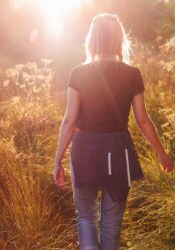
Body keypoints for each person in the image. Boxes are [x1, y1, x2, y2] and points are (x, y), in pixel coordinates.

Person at [52, 13, 174, 250]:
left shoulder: (78, 73)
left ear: (93, 40)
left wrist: (57, 159)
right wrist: (161, 153)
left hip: (85, 152)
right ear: (119, 40)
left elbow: (69, 120)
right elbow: (143, 120)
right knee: (111, 225)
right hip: (119, 154)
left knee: (86, 218)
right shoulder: (132, 74)